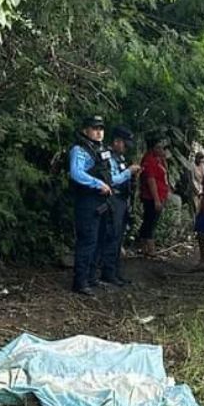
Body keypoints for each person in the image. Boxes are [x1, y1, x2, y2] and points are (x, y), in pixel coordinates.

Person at [67, 116, 114, 295]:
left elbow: (108, 174)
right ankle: (80, 282)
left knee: (100, 240)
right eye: (95, 128)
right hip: (87, 201)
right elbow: (76, 173)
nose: (99, 132)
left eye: (101, 128)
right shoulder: (80, 149)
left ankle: (92, 277)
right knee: (87, 241)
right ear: (85, 130)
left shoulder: (101, 149)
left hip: (102, 201)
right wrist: (98, 184)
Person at [99, 125, 141, 287]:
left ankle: (115, 271)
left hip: (123, 200)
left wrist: (132, 175)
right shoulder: (107, 157)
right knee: (112, 236)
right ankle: (108, 273)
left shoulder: (121, 158)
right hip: (113, 199)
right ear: (116, 141)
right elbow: (111, 180)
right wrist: (128, 172)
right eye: (124, 144)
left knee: (118, 238)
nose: (126, 148)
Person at [138, 136, 170, 259]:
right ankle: (150, 249)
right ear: (152, 148)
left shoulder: (158, 159)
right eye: (158, 147)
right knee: (151, 221)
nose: (161, 150)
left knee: (150, 220)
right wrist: (156, 200)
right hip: (151, 197)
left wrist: (164, 159)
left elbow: (164, 174)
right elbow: (151, 180)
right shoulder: (149, 160)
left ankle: (144, 247)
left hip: (160, 194)